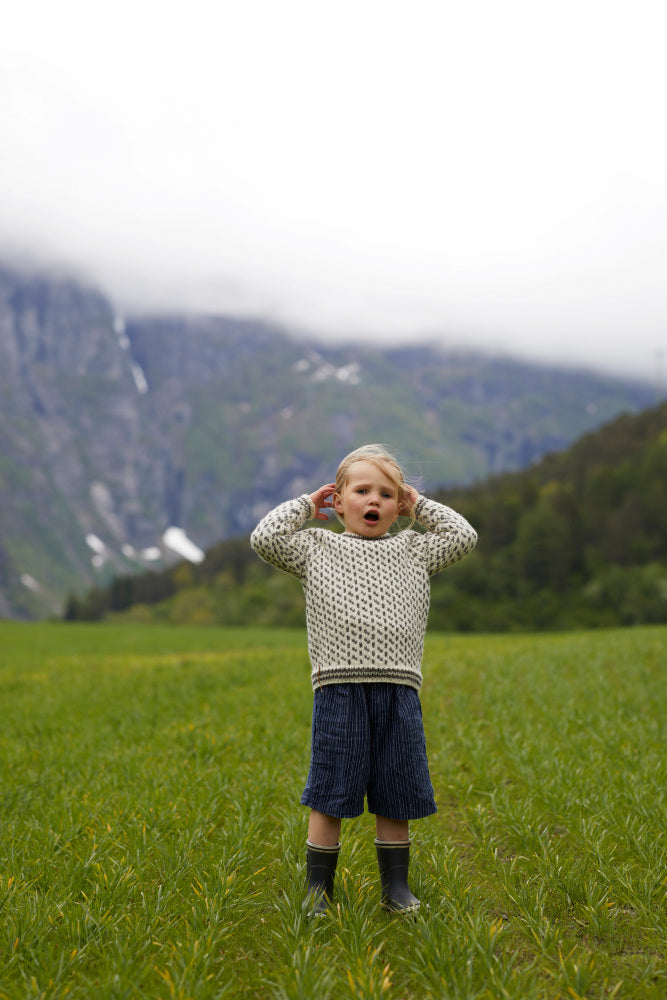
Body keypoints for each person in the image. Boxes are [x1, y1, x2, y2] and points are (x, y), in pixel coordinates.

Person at [250, 444, 477, 914]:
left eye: (386, 494)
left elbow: (464, 535)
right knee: (331, 791)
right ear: (339, 500)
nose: (373, 500)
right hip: (339, 690)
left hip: (398, 690)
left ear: (399, 506)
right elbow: (264, 538)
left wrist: (422, 506)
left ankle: (396, 890)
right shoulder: (315, 547)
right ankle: (319, 891)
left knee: (397, 792)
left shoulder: (416, 548)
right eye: (362, 491)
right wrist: (306, 506)